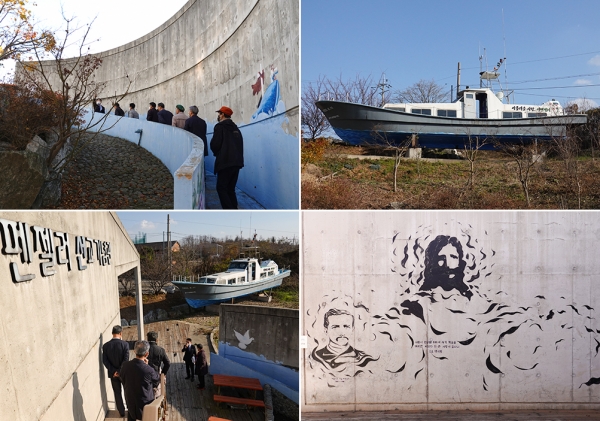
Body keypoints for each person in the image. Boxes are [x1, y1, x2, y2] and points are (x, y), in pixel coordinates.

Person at [310, 309, 376, 374]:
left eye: (346, 326)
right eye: (335, 327)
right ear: (326, 330)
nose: (342, 332)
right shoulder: (316, 357)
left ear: (352, 330)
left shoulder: (363, 358)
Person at [210, 106, 244, 209]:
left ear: (223, 114)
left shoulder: (220, 127)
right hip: (237, 163)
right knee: (230, 189)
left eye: (219, 114)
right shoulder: (236, 128)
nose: (218, 116)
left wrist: (218, 153)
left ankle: (229, 210)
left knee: (221, 188)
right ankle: (234, 209)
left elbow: (215, 145)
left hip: (225, 162)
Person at [419, 235, 471, 299]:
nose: (447, 264)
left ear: (459, 261)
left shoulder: (469, 296)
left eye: (453, 257)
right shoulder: (421, 299)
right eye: (441, 258)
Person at [120, 341, 160, 421]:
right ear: (147, 354)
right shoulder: (149, 370)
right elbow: (156, 380)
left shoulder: (125, 365)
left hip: (130, 400)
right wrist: (147, 366)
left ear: (134, 351)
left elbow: (122, 379)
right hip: (145, 403)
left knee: (131, 416)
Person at [102, 325, 129, 418]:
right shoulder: (125, 345)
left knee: (117, 393)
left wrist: (114, 371)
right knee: (127, 391)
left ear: (112, 333)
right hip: (123, 374)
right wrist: (119, 371)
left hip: (112, 374)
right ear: (120, 333)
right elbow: (126, 360)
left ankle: (121, 412)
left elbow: (105, 361)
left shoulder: (105, 346)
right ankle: (129, 410)